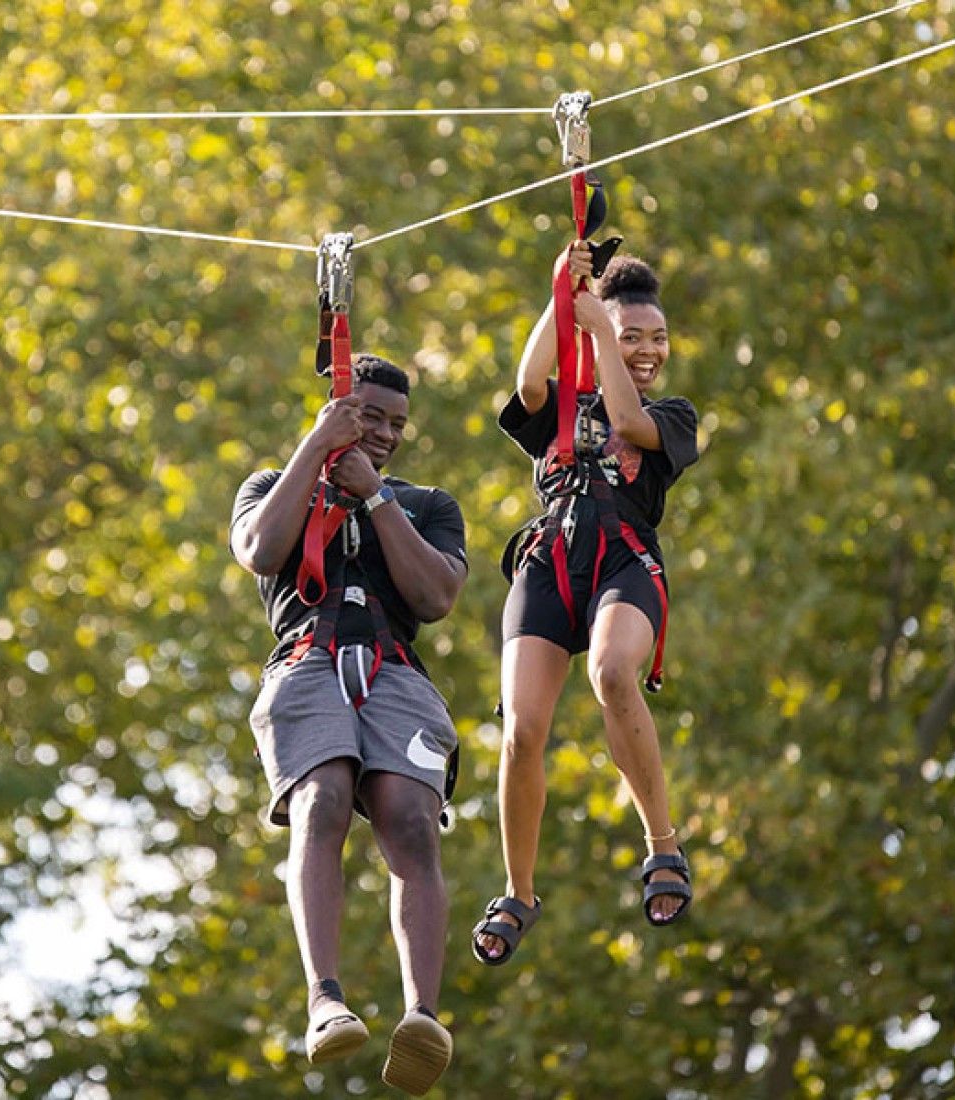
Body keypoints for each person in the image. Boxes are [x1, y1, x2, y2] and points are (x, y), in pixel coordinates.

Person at [230, 354, 467, 1096]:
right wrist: (318, 450)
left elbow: (434, 596)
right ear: (337, 408)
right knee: (324, 797)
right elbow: (262, 550)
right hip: (307, 663)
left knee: (411, 821)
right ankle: (324, 997)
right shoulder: (273, 485)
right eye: (370, 416)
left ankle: (422, 1015)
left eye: (397, 423)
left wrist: (376, 500)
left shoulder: (428, 505)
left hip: (395, 673)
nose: (387, 433)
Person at [472, 244, 699, 966]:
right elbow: (529, 379)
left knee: (610, 673)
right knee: (522, 730)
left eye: (657, 338)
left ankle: (662, 843)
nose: (648, 350)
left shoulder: (673, 415)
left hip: (623, 560)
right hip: (549, 564)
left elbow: (630, 425)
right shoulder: (561, 408)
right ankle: (519, 889)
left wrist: (601, 330)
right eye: (634, 336)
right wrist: (559, 292)